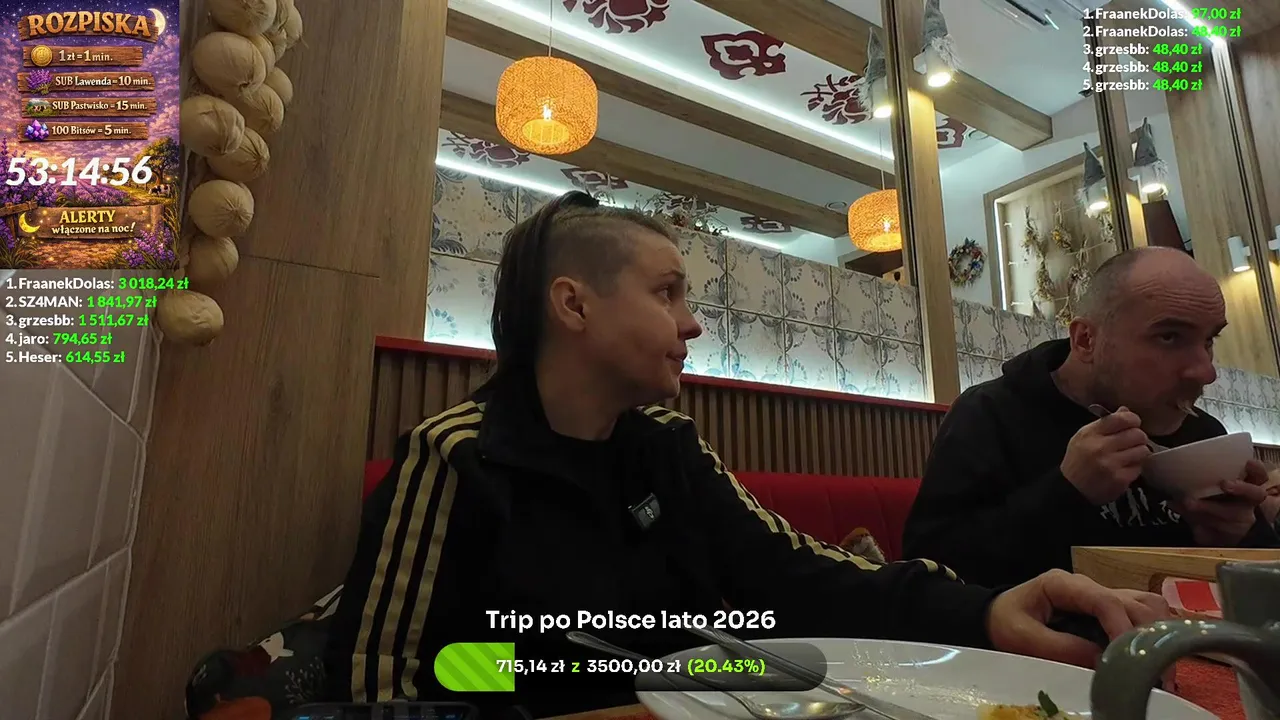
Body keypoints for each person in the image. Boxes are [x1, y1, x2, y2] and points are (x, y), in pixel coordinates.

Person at [325, 192, 1169, 715]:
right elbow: (383, 683)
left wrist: (985, 612)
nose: (693, 323)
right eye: (667, 293)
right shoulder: (458, 459)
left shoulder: (668, 450)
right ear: (573, 306)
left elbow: (799, 574)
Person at [904, 246, 1280, 588]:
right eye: (1169, 337)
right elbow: (930, 575)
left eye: (1209, 340)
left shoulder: (1203, 432)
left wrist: (1245, 534)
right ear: (1086, 340)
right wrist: (1066, 491)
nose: (1205, 372)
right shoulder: (990, 414)